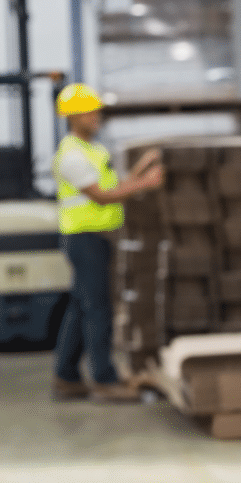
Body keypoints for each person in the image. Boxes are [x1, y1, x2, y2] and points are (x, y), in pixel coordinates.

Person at [51, 83, 164, 402]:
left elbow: (118, 187)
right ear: (73, 116)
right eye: (90, 111)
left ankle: (66, 376)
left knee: (81, 307)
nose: (97, 116)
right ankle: (105, 379)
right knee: (99, 309)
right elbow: (101, 197)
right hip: (84, 239)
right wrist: (147, 182)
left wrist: (142, 169)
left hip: (98, 238)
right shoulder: (71, 155)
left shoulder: (95, 151)